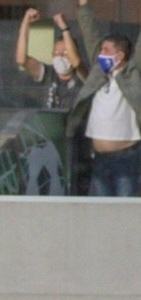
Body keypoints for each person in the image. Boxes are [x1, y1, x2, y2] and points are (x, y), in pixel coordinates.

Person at [67, 0, 141, 197]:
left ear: (121, 55)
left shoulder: (133, 74)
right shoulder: (99, 72)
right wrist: (83, 6)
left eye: (106, 50)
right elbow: (90, 34)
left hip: (127, 158)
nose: (101, 54)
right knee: (99, 212)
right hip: (99, 157)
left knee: (124, 211)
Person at [16, 8, 88, 110]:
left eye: (65, 53)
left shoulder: (82, 76)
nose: (60, 57)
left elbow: (76, 63)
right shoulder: (48, 73)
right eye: (56, 53)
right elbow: (21, 60)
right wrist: (26, 23)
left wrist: (64, 28)